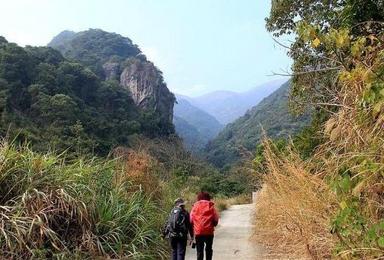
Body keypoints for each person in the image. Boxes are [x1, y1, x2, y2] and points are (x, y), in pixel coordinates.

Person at [190, 192, 219, 260]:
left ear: (198, 198)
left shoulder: (195, 206)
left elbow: (191, 220)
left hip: (198, 232)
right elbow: (216, 219)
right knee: (209, 249)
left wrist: (195, 226)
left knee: (199, 250)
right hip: (209, 232)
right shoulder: (211, 206)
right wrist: (213, 224)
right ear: (208, 197)